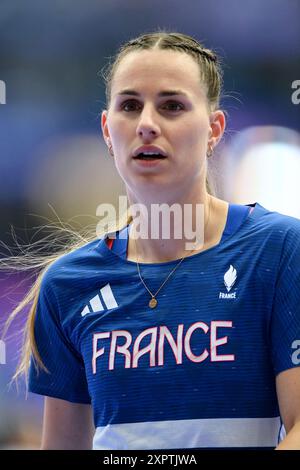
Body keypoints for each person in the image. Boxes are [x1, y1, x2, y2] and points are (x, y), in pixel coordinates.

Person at [3, 31, 300, 450]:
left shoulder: (279, 250)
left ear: (214, 129)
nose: (146, 124)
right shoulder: (67, 284)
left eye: (171, 106)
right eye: (129, 106)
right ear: (108, 131)